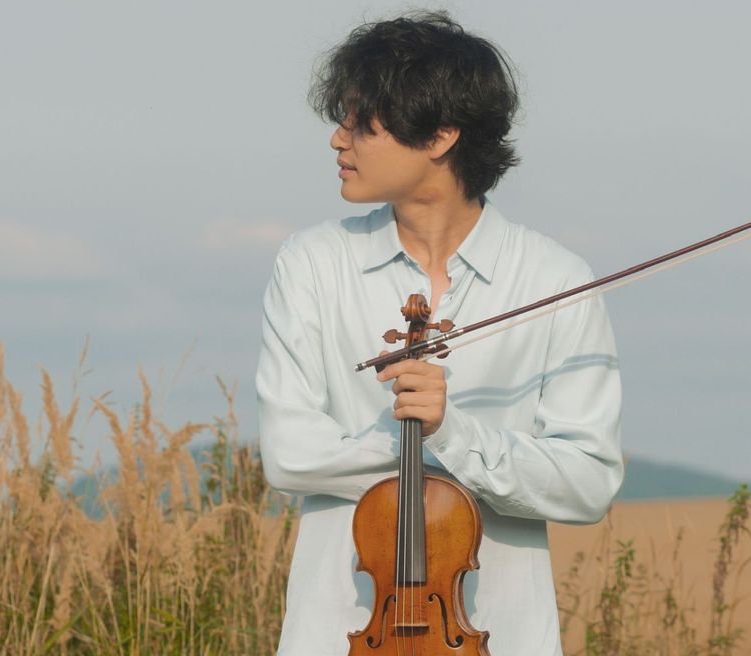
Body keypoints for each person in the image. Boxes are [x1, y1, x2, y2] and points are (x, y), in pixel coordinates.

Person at [255, 10, 623, 656]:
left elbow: (588, 481)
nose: (338, 141)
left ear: (441, 135)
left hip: (498, 638)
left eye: (360, 123)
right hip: (333, 635)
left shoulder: (557, 280)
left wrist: (456, 434)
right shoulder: (310, 266)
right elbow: (288, 454)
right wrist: (420, 445)